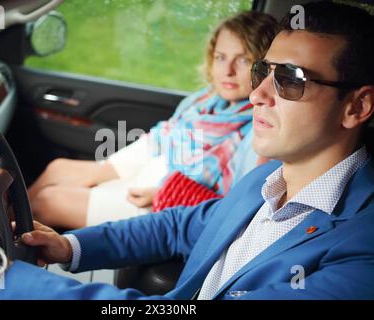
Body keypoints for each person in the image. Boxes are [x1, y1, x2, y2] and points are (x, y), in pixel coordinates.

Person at [0, 1, 374, 300]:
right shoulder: (269, 180)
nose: (257, 93)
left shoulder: (362, 254)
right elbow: (180, 227)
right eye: (265, 71)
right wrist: (67, 246)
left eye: (290, 80)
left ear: (356, 106)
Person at [27, 11, 278, 229]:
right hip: (149, 170)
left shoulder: (257, 128)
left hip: (165, 206)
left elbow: (236, 206)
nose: (228, 70)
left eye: (244, 60)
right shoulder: (206, 100)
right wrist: (107, 170)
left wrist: (164, 193)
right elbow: (162, 136)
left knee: (47, 202)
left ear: (265, 67)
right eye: (221, 57)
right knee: (57, 168)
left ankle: (0, 248)